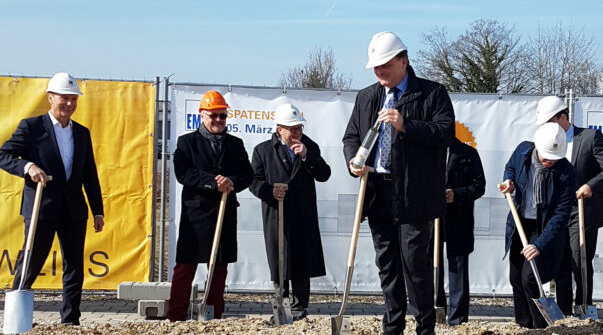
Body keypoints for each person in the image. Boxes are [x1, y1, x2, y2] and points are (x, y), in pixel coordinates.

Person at [343, 31, 455, 335]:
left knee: (415, 265)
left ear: (403, 61)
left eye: (385, 65)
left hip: (415, 193)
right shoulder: (366, 97)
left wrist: (405, 124)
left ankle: (424, 328)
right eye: (376, 67)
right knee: (388, 265)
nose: (380, 72)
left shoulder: (432, 94)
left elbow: (444, 133)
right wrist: (354, 161)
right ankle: (392, 328)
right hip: (377, 191)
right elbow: (351, 136)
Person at [0, 73, 104, 326]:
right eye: (64, 98)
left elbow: (89, 173)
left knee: (74, 268)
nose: (69, 104)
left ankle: (70, 321)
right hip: (41, 207)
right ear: (50, 98)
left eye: (73, 99)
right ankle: (16, 320)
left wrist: (97, 210)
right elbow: (4, 155)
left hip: (73, 209)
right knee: (31, 262)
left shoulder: (81, 133)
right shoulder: (32, 127)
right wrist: (28, 167)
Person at [167, 90, 254, 321]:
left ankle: (212, 315)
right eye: (213, 116)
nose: (218, 121)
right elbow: (183, 173)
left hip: (224, 213)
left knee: (219, 267)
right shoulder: (187, 142)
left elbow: (247, 174)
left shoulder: (235, 144)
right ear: (202, 116)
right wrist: (212, 182)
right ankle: (176, 317)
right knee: (186, 266)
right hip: (196, 214)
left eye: (222, 116)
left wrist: (232, 181)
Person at [536, 96, 603, 316]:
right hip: (557, 211)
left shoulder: (589, 137)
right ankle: (564, 313)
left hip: (582, 210)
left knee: (579, 259)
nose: (547, 128)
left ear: (563, 117)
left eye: (550, 122)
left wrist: (590, 186)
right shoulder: (544, 140)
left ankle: (584, 307)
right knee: (560, 263)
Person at [249, 103, 331, 321]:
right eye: (292, 129)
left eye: (299, 128)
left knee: (302, 261)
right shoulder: (263, 151)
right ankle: (281, 304)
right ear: (279, 129)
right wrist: (269, 191)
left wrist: (307, 157)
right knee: (280, 260)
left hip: (303, 213)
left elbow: (324, 174)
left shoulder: (309, 146)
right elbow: (254, 182)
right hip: (277, 215)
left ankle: (300, 308)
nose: (297, 133)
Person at [499, 122, 575, 329]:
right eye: (546, 157)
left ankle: (540, 326)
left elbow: (560, 216)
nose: (549, 161)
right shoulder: (523, 150)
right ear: (537, 148)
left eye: (554, 158)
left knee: (530, 278)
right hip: (520, 223)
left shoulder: (566, 172)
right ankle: (523, 325)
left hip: (543, 229)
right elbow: (510, 168)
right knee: (515, 277)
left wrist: (538, 245)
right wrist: (509, 181)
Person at [432, 137, 486, 325]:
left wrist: (457, 194)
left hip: (459, 218)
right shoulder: (426, 152)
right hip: (431, 219)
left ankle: (458, 320)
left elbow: (479, 186)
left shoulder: (468, 154)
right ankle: (434, 314)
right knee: (432, 266)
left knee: (458, 269)